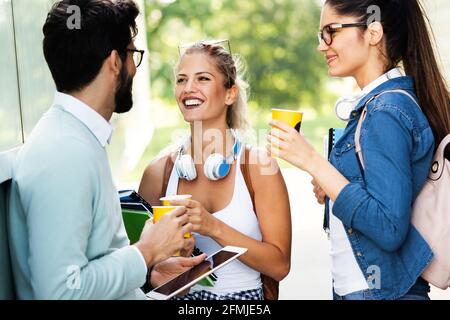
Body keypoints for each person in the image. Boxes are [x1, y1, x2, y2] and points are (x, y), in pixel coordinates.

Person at [7, 0, 204, 300]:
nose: (134, 70)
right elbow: (60, 292)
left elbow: (93, 265)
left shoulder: (77, 137)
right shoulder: (64, 154)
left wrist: (149, 273)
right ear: (114, 62)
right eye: (132, 55)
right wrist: (146, 251)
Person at [268, 0, 450, 300]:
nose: (322, 46)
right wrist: (333, 185)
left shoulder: (386, 110)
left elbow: (389, 227)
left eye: (331, 31)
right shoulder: (376, 104)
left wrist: (314, 162)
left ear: (373, 32)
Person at [139, 42, 292, 300]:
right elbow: (137, 262)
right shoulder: (159, 171)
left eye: (203, 78)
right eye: (181, 79)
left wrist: (212, 227)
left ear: (230, 94)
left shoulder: (258, 167)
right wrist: (164, 258)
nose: (188, 88)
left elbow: (279, 266)